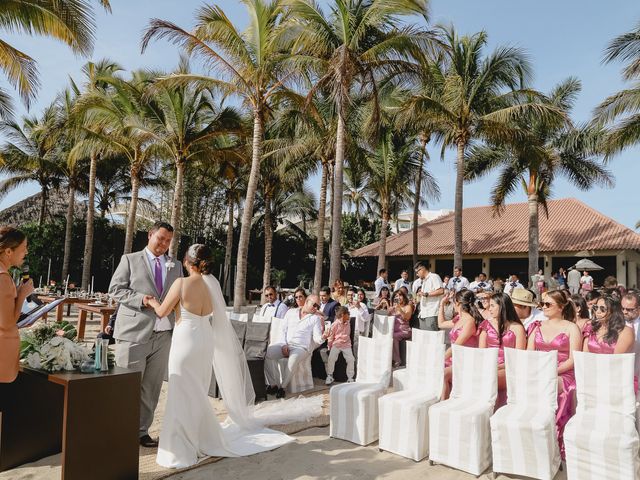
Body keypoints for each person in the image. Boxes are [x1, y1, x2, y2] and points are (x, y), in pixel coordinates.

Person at [147, 244, 292, 468]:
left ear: (186, 261)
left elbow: (162, 311)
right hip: (205, 341)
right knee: (196, 390)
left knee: (180, 390)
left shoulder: (182, 283)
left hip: (186, 341)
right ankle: (198, 437)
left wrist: (150, 301)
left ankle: (180, 448)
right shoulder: (210, 285)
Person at [108, 221, 183, 448]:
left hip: (163, 337)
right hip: (133, 334)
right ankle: (119, 432)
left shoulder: (176, 265)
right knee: (126, 386)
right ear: (150, 235)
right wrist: (143, 299)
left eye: (168, 241)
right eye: (160, 238)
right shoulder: (129, 260)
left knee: (151, 389)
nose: (163, 244)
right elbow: (115, 290)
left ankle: (141, 432)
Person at [527, 290, 582, 459]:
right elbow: (529, 354)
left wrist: (551, 370)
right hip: (540, 370)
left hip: (564, 372)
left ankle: (555, 441)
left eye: (548, 304)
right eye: (542, 304)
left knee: (548, 384)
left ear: (561, 306)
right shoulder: (537, 326)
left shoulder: (571, 327)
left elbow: (573, 359)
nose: (543, 307)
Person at [265, 294, 323, 398]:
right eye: (314, 305)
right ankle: (273, 384)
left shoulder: (315, 319)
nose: (316, 308)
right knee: (267, 353)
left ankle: (282, 388)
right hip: (285, 344)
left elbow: (317, 339)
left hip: (301, 348)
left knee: (293, 359)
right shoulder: (290, 312)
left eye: (318, 307)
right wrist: (283, 345)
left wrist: (324, 337)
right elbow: (282, 330)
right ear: (307, 302)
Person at [479, 292, 526, 408]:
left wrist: (497, 366)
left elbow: (518, 357)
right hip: (488, 364)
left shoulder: (517, 328)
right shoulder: (486, 324)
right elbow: (481, 352)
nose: (489, 309)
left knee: (491, 378)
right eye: (489, 305)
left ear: (503, 306)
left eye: (493, 305)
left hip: (509, 367)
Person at [0, 227, 34, 383]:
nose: (26, 252)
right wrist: (21, 296)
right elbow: (7, 324)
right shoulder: (3, 278)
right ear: (8, 251)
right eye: (23, 248)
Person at [438, 289, 482, 399]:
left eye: (453, 301)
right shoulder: (459, 318)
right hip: (454, 357)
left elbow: (456, 346)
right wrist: (441, 304)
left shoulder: (470, 321)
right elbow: (441, 324)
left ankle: (443, 405)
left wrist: (439, 358)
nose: (453, 304)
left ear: (458, 303)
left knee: (442, 373)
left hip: (465, 359)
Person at [323, 306, 355, 385]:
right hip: (337, 344)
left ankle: (350, 378)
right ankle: (330, 376)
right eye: (347, 314)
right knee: (331, 358)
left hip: (346, 344)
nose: (349, 315)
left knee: (351, 359)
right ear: (343, 315)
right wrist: (329, 346)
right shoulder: (335, 324)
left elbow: (348, 334)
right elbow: (331, 336)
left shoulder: (348, 323)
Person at [413, 261, 444, 331]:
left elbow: (441, 291)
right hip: (423, 313)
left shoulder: (434, 276)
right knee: (425, 337)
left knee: (432, 337)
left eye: (417, 272)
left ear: (422, 268)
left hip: (432, 312)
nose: (417, 274)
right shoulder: (423, 281)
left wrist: (425, 294)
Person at [389, 289, 413, 367]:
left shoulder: (407, 306)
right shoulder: (393, 308)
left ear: (403, 297)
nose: (398, 297)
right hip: (393, 331)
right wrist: (389, 312)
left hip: (405, 331)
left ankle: (397, 360)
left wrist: (400, 309)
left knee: (393, 336)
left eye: (400, 295)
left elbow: (407, 317)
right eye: (396, 296)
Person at [621, 292, 640, 376]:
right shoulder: (616, 323)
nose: (624, 312)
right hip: (622, 373)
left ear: (638, 309)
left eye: (629, 309)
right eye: (622, 308)